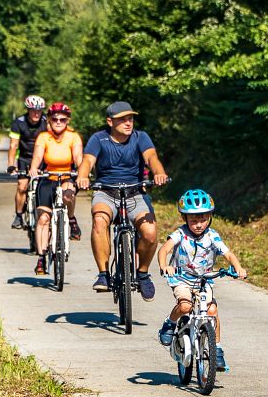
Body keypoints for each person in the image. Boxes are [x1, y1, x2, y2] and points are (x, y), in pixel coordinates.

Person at [76, 101, 169, 299]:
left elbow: (151, 157)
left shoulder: (140, 137)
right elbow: (88, 161)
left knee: (150, 232)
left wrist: (159, 173)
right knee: (100, 220)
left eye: (130, 118)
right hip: (106, 191)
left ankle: (143, 274)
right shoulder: (98, 139)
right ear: (110, 121)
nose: (128, 123)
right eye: (122, 119)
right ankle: (103, 275)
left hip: (134, 192)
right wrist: (82, 176)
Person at [156, 189, 247, 372]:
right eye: (193, 220)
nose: (198, 225)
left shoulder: (212, 236)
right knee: (185, 306)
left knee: (212, 310)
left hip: (204, 280)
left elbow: (228, 254)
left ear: (210, 217)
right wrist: (165, 265)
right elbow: (164, 250)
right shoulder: (180, 234)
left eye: (203, 219)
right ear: (184, 218)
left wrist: (238, 268)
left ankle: (217, 349)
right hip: (181, 278)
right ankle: (170, 324)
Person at [28, 102, 84, 274]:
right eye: (54, 119)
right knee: (43, 218)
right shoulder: (44, 137)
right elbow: (38, 157)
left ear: (67, 121)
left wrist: (82, 173)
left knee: (68, 196)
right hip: (48, 178)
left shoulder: (73, 137)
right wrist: (33, 168)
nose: (58, 122)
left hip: (67, 176)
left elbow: (78, 158)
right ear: (49, 121)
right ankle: (41, 257)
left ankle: (72, 220)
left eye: (62, 119)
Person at [7, 95, 48, 229]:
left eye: (39, 110)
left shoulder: (46, 122)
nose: (36, 113)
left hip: (42, 158)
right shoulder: (18, 123)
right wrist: (11, 165)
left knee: (46, 187)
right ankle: (19, 215)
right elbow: (13, 145)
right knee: (22, 186)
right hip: (25, 157)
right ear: (28, 110)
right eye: (33, 110)